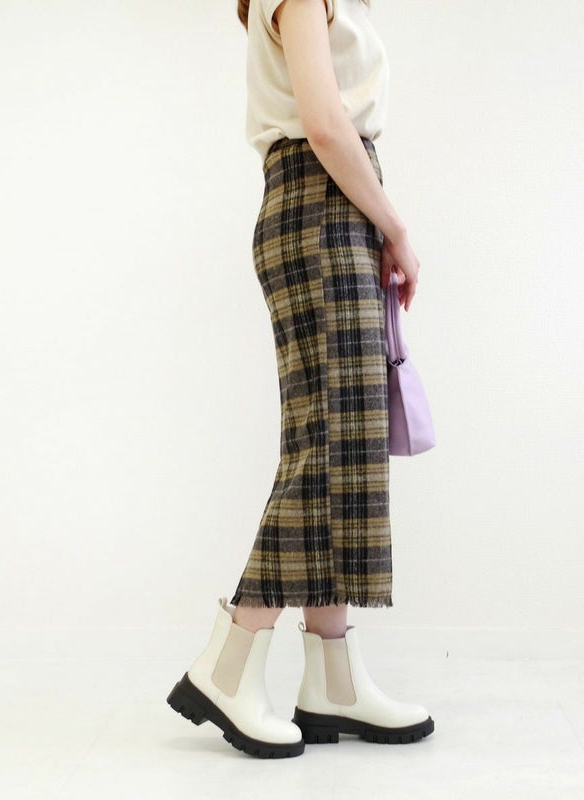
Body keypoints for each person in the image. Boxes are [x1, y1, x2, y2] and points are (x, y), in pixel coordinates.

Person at [166, 0, 434, 758]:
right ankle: (227, 663)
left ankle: (332, 684)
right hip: (323, 201)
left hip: (326, 204)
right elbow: (324, 124)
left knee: (338, 446)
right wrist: (395, 227)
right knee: (325, 449)